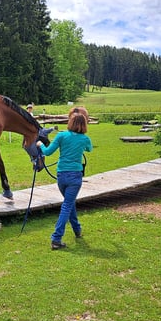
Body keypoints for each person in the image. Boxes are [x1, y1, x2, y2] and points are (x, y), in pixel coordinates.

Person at [36, 106, 93, 250]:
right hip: (75, 177)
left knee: (69, 202)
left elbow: (47, 152)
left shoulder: (61, 136)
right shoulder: (85, 139)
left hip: (61, 176)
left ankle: (77, 229)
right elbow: (89, 149)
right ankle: (56, 239)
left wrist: (40, 144)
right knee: (67, 204)